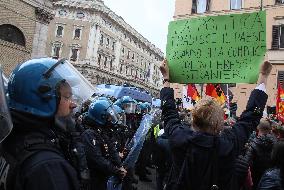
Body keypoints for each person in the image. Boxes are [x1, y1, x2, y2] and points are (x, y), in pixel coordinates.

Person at [159, 59, 272, 190]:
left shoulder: (178, 136)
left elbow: (168, 112)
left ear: (193, 118)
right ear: (219, 123)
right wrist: (263, 76)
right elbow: (251, 116)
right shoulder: (229, 144)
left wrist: (166, 79)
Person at [0, 58, 94, 190]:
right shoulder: (48, 167)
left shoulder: (13, 138)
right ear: (42, 99)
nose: (73, 104)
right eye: (67, 97)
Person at [81, 99, 127, 190]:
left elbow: (111, 148)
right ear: (101, 116)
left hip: (104, 176)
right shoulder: (89, 134)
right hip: (94, 179)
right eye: (108, 116)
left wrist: (119, 165)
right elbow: (97, 159)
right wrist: (116, 170)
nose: (110, 119)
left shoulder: (101, 131)